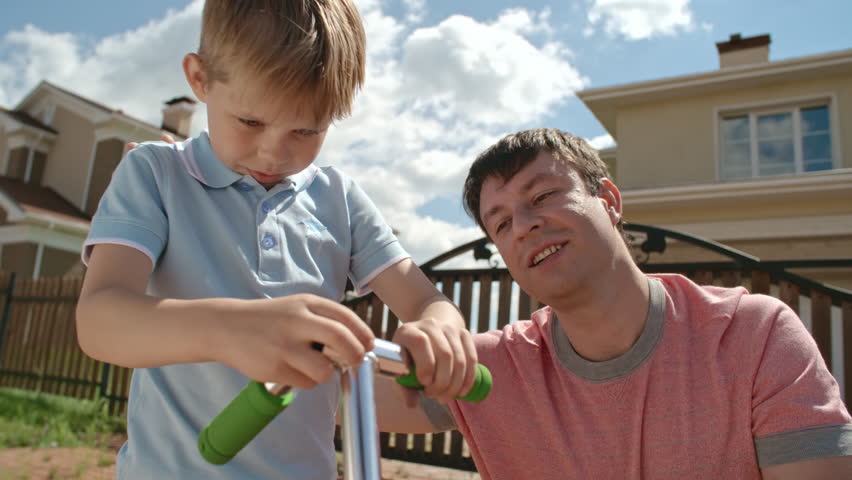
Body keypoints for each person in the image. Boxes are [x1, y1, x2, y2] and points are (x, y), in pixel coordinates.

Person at [75, 1, 477, 478]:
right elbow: (99, 319)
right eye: (250, 122)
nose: (275, 151)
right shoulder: (156, 174)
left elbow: (426, 301)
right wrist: (231, 330)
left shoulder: (340, 199)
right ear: (200, 79)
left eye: (306, 130)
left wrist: (441, 330)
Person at [378, 128, 852, 479]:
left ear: (608, 199)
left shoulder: (752, 335)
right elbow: (332, 394)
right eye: (500, 225)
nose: (522, 225)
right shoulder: (494, 369)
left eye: (543, 195)